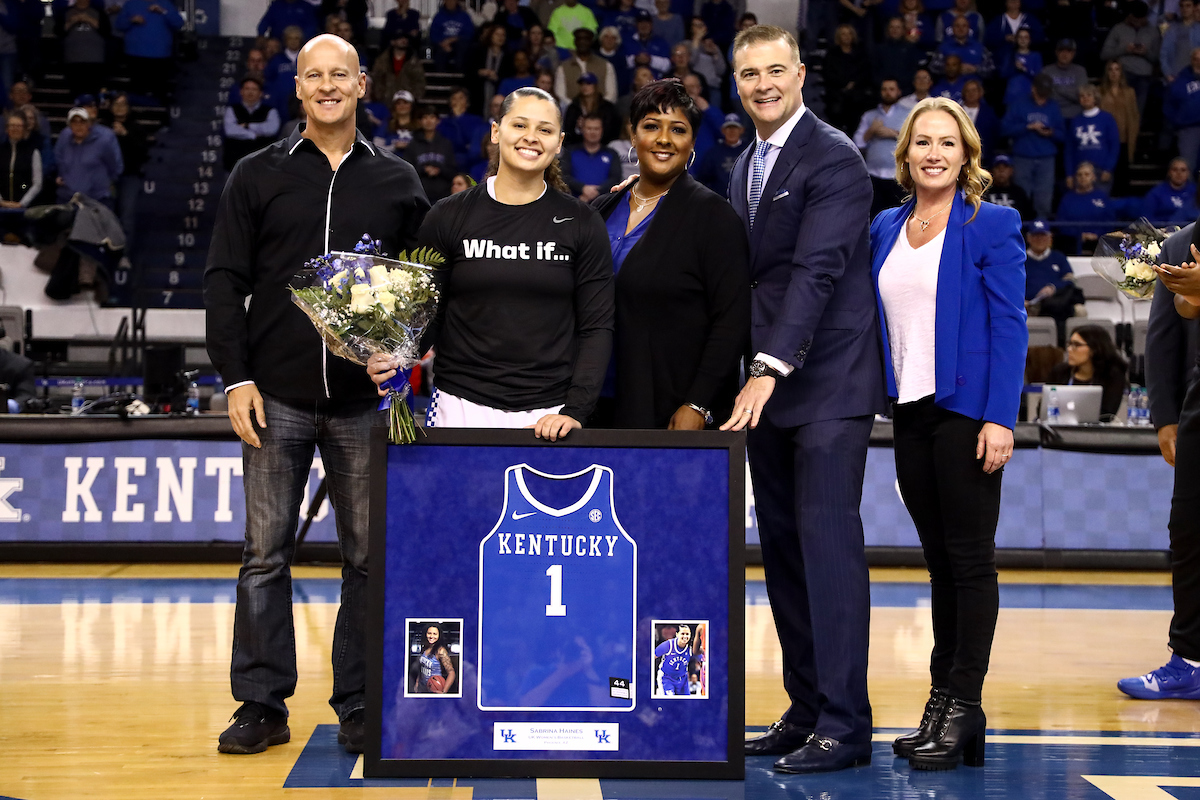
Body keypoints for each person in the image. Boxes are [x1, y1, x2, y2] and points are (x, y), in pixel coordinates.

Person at [204, 34, 429, 756]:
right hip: (276, 398)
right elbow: (222, 282)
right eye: (314, 76)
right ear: (297, 88)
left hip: (365, 405)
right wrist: (235, 377)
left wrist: (406, 350)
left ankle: (358, 701)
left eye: (341, 75)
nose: (328, 86)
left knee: (366, 559)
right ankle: (261, 704)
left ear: (363, 84)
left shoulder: (398, 180)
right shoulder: (255, 174)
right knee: (265, 555)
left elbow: (424, 289)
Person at [724, 25, 885, 774]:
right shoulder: (741, 163)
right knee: (784, 554)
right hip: (765, 392)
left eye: (775, 70)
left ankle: (847, 725)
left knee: (826, 551)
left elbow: (818, 272)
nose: (762, 83)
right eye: (749, 72)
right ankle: (807, 705)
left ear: (800, 74)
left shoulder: (836, 157)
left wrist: (769, 365)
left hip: (823, 386)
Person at [870, 96, 1026, 771]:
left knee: (970, 562)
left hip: (966, 410)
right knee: (939, 566)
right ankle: (941, 701)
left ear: (966, 156)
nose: (934, 153)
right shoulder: (883, 226)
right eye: (922, 142)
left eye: (948, 143)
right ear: (904, 156)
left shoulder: (992, 224)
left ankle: (964, 706)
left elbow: (1009, 326)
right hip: (909, 411)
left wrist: (1000, 417)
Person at [369, 87, 613, 438]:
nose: (531, 137)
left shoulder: (581, 222)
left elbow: (597, 326)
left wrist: (576, 410)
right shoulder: (448, 215)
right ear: (496, 132)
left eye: (544, 130)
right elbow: (427, 315)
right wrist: (394, 359)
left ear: (559, 143)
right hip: (459, 406)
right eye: (520, 125)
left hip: (548, 414)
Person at [591, 79, 749, 428]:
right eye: (651, 126)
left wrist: (698, 404)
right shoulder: (602, 209)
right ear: (633, 136)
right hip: (592, 406)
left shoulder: (714, 217)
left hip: (667, 409)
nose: (663, 139)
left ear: (691, 143)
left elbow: (731, 322)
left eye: (677, 129)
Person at [1125, 222, 1200, 700]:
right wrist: (1165, 417)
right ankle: (1189, 660)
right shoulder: (1177, 244)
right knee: (1190, 531)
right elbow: (1163, 339)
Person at [1000, 73, 1065, 220]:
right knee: (1022, 199)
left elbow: (1063, 135)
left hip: (1046, 159)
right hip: (1023, 157)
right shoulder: (1019, 104)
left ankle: (1041, 233)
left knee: (1044, 201)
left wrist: (1051, 133)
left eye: (1046, 92)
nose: (1043, 96)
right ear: (1033, 89)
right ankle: (1021, 234)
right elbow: (1004, 129)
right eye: (1041, 92)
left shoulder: (1053, 106)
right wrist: (1028, 127)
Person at [1047, 325, 1128, 419]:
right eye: (1069, 344)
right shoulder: (1060, 372)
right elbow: (1044, 407)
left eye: (1076, 345)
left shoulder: (1112, 376)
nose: (1069, 349)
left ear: (1094, 349)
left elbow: (1107, 414)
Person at [854, 78, 908, 218]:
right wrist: (872, 131)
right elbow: (857, 143)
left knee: (898, 218)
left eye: (891, 89)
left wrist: (894, 134)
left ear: (898, 92)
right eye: (884, 89)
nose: (887, 92)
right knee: (874, 217)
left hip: (898, 176)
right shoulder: (870, 115)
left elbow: (917, 139)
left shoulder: (908, 114)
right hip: (873, 175)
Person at [1023, 218, 1082, 344]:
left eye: (1043, 236)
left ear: (1050, 239)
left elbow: (1069, 281)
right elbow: (1012, 284)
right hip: (1029, 304)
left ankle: (1069, 346)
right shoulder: (1021, 259)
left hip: (1056, 303)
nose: (1039, 240)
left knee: (1079, 311)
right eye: (1035, 236)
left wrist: (1052, 287)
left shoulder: (1058, 257)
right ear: (1029, 239)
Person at [113, 0, 185, 102]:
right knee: (137, 91)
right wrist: (131, 20)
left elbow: (179, 23)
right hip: (135, 55)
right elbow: (119, 25)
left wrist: (163, 11)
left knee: (159, 92)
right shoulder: (131, 4)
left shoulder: (165, 4)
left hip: (160, 55)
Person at [1099, 0, 1161, 116]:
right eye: (1135, 18)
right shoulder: (1119, 29)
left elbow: (1157, 58)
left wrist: (1145, 52)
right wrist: (1124, 50)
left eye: (1140, 19)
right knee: (1119, 113)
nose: (1137, 22)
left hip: (1144, 77)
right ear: (1130, 15)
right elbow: (1104, 54)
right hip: (1122, 75)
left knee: (1137, 114)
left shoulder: (1153, 31)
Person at [55, 106, 122, 207]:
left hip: (97, 199)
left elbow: (114, 167)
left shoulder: (103, 143)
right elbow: (58, 160)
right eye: (74, 122)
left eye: (82, 122)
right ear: (69, 125)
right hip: (68, 198)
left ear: (89, 124)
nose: (78, 126)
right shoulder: (64, 141)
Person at [1055, 161, 1118, 254]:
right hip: (1073, 241)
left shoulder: (1102, 197)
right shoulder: (1067, 198)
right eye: (1079, 175)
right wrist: (1078, 235)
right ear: (1075, 177)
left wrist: (1096, 234)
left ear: (1093, 177)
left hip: (1098, 240)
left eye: (1086, 174)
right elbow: (1061, 222)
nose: (1083, 177)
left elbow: (1110, 220)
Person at [1065, 84, 1119, 193]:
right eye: (1082, 96)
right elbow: (1069, 150)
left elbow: (1114, 146)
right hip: (1079, 172)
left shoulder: (1107, 118)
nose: (1085, 98)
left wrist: (1108, 168)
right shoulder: (1075, 121)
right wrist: (1069, 174)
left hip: (1100, 170)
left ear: (1095, 98)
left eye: (1089, 95)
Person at [223, 77, 281, 170]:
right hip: (235, 165)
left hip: (264, 165)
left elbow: (271, 129)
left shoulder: (271, 111)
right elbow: (230, 130)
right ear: (241, 92)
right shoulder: (232, 110)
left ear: (261, 93)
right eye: (247, 89)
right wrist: (252, 135)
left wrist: (247, 126)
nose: (250, 92)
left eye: (254, 89)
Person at [1099, 59, 1140, 193]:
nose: (1114, 73)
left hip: (1123, 139)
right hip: (1105, 140)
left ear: (1121, 72)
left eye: (1117, 69)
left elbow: (1133, 117)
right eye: (1111, 69)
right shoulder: (1099, 92)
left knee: (1122, 176)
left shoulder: (1130, 92)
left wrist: (1132, 140)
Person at [824, 24, 873, 135]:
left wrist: (854, 83)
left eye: (849, 34)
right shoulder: (832, 54)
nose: (846, 37)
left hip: (857, 92)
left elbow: (865, 72)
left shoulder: (860, 53)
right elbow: (828, 73)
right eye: (843, 34)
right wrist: (844, 84)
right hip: (837, 93)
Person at [0, 112, 41, 242]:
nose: (15, 129)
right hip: (1, 210)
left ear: (24, 129)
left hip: (24, 212)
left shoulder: (33, 151)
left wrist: (21, 204)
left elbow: (37, 183)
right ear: (6, 129)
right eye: (12, 125)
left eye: (18, 126)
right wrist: (1, 202)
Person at [560, 113, 620, 199]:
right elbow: (563, 175)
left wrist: (597, 191)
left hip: (605, 204)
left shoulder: (612, 153)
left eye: (596, 129)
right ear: (582, 130)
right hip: (574, 202)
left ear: (602, 130)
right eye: (589, 128)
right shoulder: (570, 152)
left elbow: (615, 178)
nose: (593, 132)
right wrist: (582, 188)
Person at [405, 105, 456, 203]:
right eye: (425, 117)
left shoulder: (446, 144)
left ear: (438, 121)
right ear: (420, 121)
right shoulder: (413, 144)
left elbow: (453, 170)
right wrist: (423, 170)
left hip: (443, 196)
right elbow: (407, 170)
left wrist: (439, 171)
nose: (428, 121)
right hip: (420, 196)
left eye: (432, 117)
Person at [556, 28, 619, 104]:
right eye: (580, 39)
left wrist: (598, 108)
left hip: (601, 111)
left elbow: (611, 95)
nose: (583, 42)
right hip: (571, 111)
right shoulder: (563, 67)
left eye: (586, 39)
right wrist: (577, 108)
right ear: (575, 42)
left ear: (591, 42)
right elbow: (560, 95)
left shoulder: (606, 65)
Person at [696, 112, 748, 197]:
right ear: (723, 131)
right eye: (728, 128)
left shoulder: (749, 150)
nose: (732, 131)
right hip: (720, 202)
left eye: (735, 128)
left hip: (744, 201)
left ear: (742, 130)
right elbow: (702, 179)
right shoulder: (713, 152)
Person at [370, 30, 426, 106]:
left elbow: (420, 81)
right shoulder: (382, 61)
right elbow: (377, 79)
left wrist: (414, 97)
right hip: (385, 101)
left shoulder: (414, 62)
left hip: (408, 101)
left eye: (406, 38)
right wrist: (380, 95)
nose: (404, 40)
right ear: (392, 42)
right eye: (399, 38)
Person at [563, 72, 621, 144]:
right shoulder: (573, 107)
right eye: (582, 84)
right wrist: (577, 129)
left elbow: (613, 130)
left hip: (604, 145)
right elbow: (567, 132)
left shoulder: (607, 107)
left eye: (588, 84)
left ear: (595, 86)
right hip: (577, 146)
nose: (585, 87)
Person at [1169, 48, 1200, 175]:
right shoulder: (1181, 81)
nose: (1199, 62)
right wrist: (1178, 121)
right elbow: (1169, 105)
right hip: (1188, 130)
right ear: (1191, 61)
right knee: (1188, 168)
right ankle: (1188, 195)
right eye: (1196, 59)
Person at [1040, 38, 1088, 120]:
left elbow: (1081, 96)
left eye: (1068, 51)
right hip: (1053, 116)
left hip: (1076, 116)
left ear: (1073, 53)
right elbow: (1044, 97)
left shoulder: (1080, 71)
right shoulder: (1046, 71)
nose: (1064, 54)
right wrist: (1071, 93)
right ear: (1056, 52)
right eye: (1061, 50)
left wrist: (1058, 89)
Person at [1143, 158, 1200, 225]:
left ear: (1188, 173)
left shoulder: (1196, 192)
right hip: (1163, 231)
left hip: (1189, 231)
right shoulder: (1156, 193)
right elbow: (1146, 218)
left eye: (1183, 170)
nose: (1179, 173)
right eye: (1175, 170)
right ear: (1169, 172)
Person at [982, 153, 1035, 219]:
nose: (1001, 171)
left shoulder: (1019, 192)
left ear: (1011, 171)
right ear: (991, 171)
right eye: (998, 168)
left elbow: (1029, 216)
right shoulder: (984, 192)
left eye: (1005, 167)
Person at [655, 624, 702, 696]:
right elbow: (651, 657)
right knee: (670, 702)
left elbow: (703, 657)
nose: (685, 636)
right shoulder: (668, 645)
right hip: (667, 678)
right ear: (677, 634)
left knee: (687, 704)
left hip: (683, 679)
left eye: (687, 634)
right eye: (682, 634)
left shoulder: (691, 647)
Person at [411, 624, 457, 694]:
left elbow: (451, 673)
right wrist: (417, 683)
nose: (431, 636)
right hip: (422, 688)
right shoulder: (425, 648)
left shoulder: (440, 651)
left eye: (434, 634)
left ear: (439, 636)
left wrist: (444, 691)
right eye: (429, 633)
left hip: (433, 688)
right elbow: (422, 668)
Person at [430, 0, 475, 71]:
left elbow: (469, 34)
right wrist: (443, 44)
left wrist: (452, 39)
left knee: (462, 50)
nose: (450, 2)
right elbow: (433, 34)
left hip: (460, 45)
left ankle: (459, 75)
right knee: (440, 55)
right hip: (442, 45)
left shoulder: (465, 16)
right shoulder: (438, 17)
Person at [1162, 0, 1200, 82]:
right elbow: (1164, 53)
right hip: (1176, 75)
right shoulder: (1172, 29)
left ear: (1194, 7)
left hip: (1196, 77)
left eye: (1188, 6)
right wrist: (1168, 75)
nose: (1184, 9)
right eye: (1182, 6)